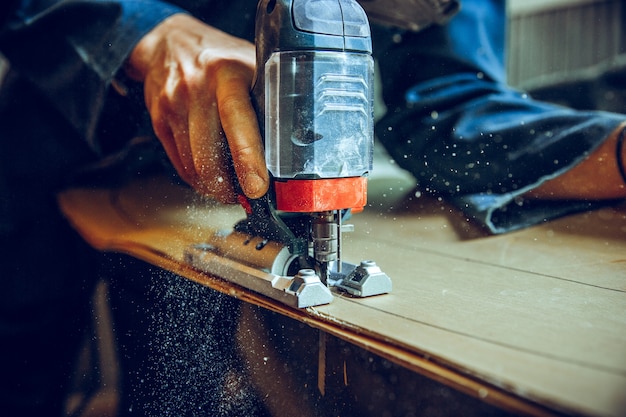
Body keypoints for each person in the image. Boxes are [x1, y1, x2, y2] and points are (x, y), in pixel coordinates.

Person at [0, 0, 624, 415]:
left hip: (219, 205)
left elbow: (450, 95)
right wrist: (147, 32)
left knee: (175, 384)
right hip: (61, 149)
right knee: (23, 366)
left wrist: (613, 152)